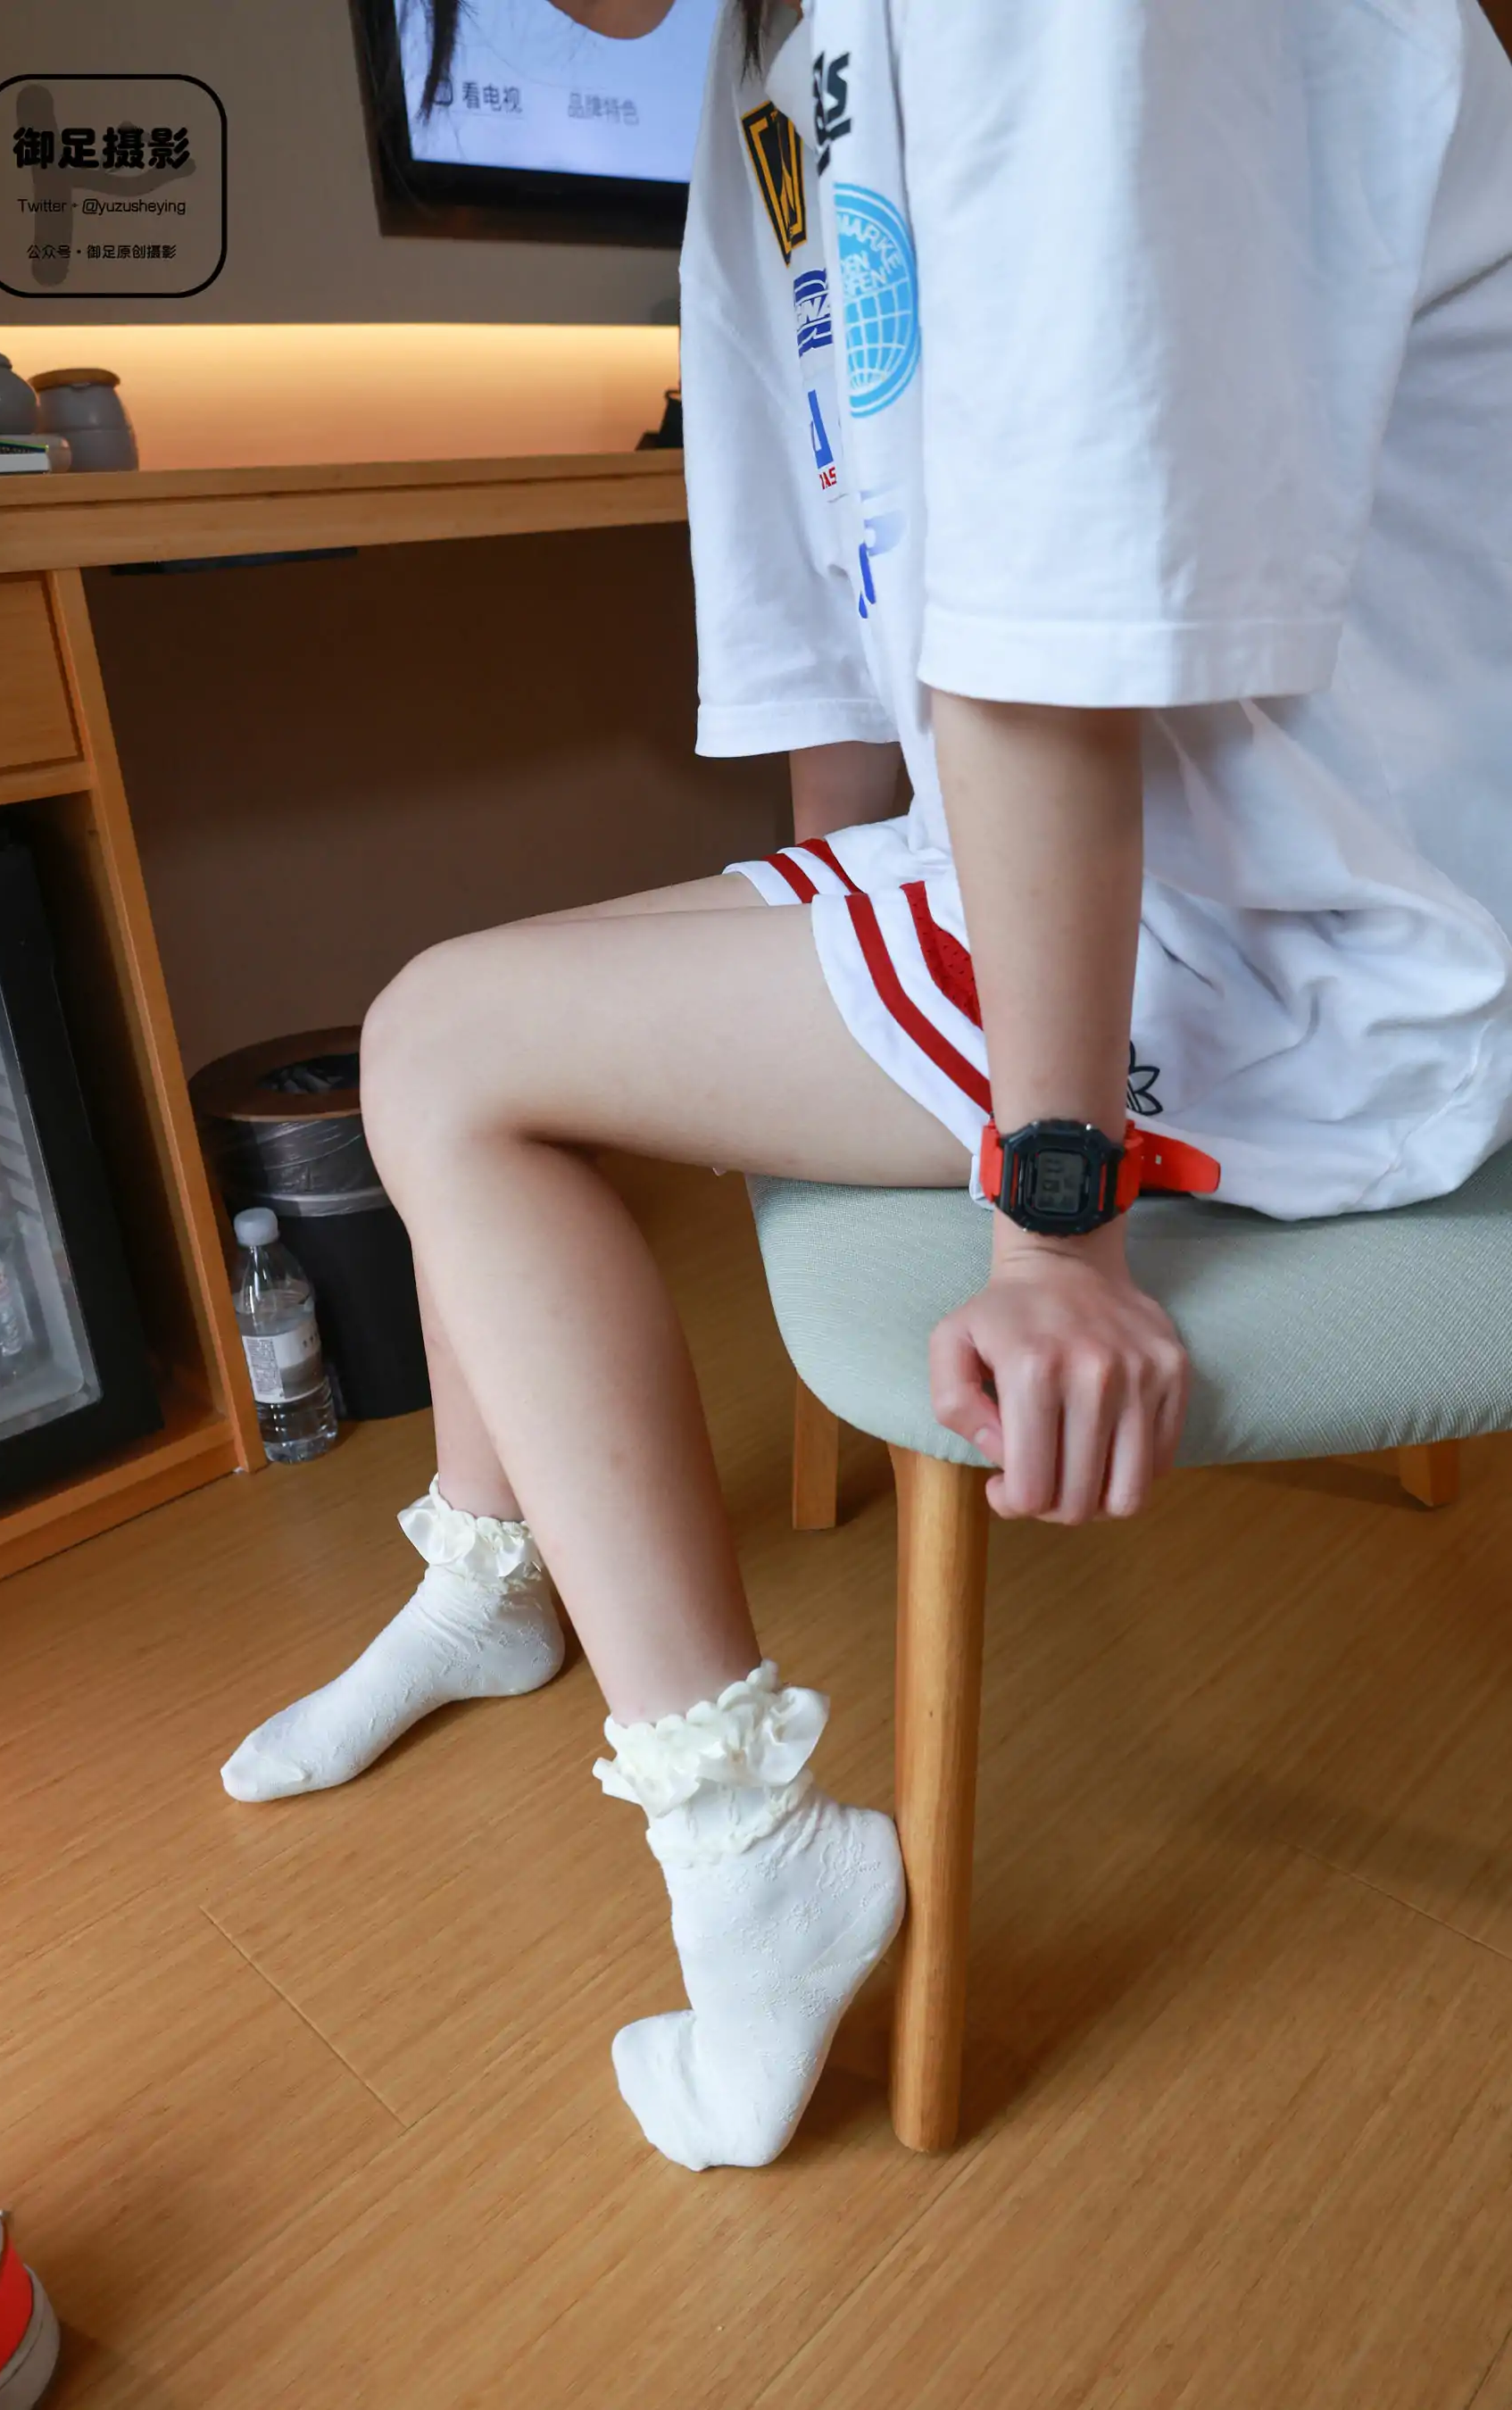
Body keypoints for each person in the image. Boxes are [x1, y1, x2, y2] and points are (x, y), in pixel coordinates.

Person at [221, 0, 1512, 2171]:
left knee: (440, 1044)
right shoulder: (769, 49)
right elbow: (841, 634)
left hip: (1347, 913)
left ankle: (751, 1851)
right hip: (1162, 838)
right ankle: (494, 1566)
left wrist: (1055, 1224)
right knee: (499, 1015)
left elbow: (1055, 614)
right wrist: (811, 941)